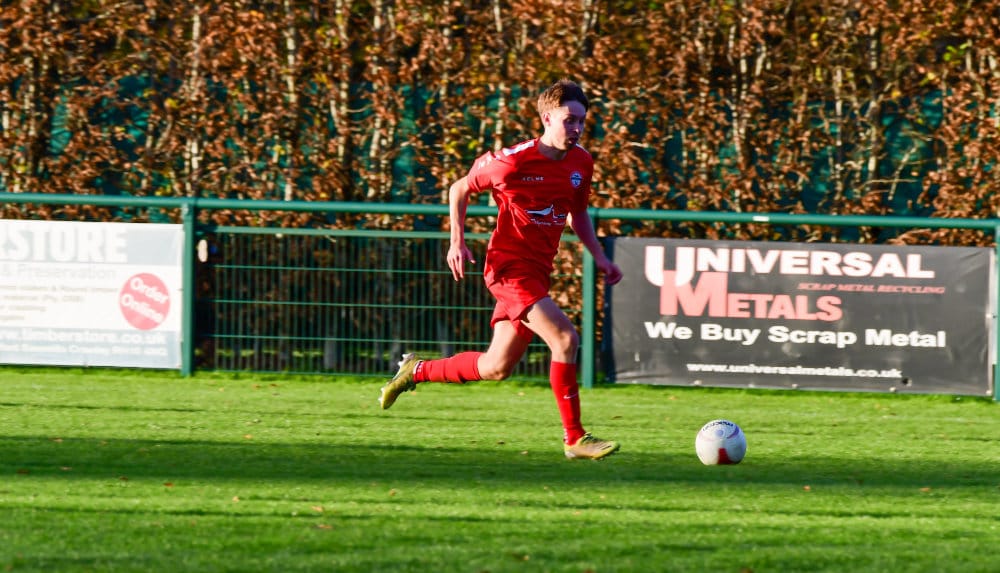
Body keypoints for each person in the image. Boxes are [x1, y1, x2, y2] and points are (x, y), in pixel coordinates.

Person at [379, 79, 623, 460]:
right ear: (547, 118)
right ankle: (575, 439)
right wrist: (456, 242)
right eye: (569, 120)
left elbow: (578, 214)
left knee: (496, 366)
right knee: (565, 339)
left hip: (537, 272)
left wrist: (601, 258)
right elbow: (459, 189)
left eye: (581, 121)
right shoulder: (511, 162)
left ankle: (416, 370)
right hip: (508, 269)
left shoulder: (581, 162)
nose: (576, 128)